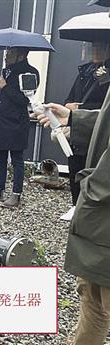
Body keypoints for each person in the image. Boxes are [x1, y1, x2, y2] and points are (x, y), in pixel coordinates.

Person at [27, 98, 110, 345]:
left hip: (104, 192)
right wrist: (75, 118)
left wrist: (94, 186)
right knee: (93, 284)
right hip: (101, 200)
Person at [0, 48, 39, 208]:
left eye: (10, 54)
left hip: (16, 122)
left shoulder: (30, 73)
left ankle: (16, 194)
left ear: (21, 55)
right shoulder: (6, 71)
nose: (6, 57)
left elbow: (24, 100)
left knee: (16, 159)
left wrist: (5, 86)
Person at [63, 41, 110, 216]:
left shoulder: (106, 77)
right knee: (75, 173)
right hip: (76, 135)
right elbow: (68, 100)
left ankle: (88, 213)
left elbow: (105, 110)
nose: (95, 51)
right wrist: (69, 107)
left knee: (91, 177)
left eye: (100, 47)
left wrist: (80, 108)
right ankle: (76, 207)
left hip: (95, 137)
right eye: (93, 47)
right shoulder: (84, 72)